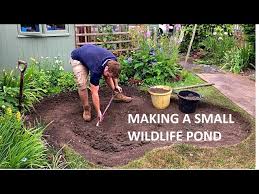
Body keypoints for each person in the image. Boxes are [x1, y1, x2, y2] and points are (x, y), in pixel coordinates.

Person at [70, 44, 132, 122]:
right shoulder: (96, 70)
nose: (110, 77)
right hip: (78, 58)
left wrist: (116, 85)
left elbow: (114, 75)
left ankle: (116, 95)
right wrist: (98, 111)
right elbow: (94, 92)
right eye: (109, 74)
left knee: (107, 76)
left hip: (91, 56)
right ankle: (86, 108)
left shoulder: (113, 61)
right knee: (81, 84)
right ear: (106, 68)